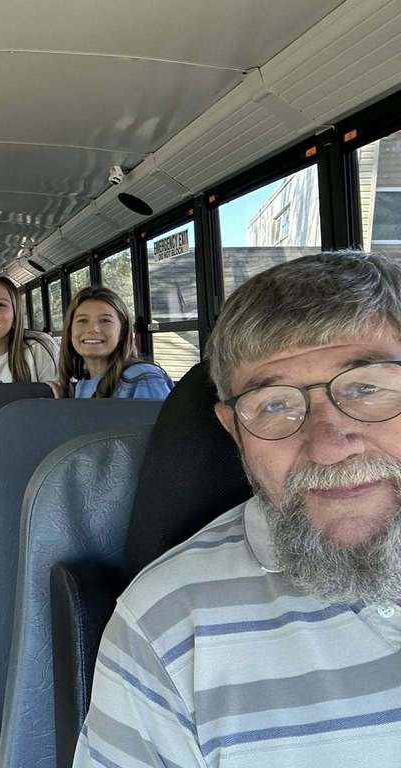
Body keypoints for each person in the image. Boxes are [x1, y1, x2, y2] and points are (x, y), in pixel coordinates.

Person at [74, 251, 401, 767]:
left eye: (366, 389)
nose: (329, 444)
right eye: (275, 404)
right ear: (234, 430)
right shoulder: (167, 624)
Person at [51, 285, 173, 399]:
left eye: (105, 320)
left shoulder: (143, 377)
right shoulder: (81, 385)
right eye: (82, 320)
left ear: (123, 331)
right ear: (70, 330)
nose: (93, 329)